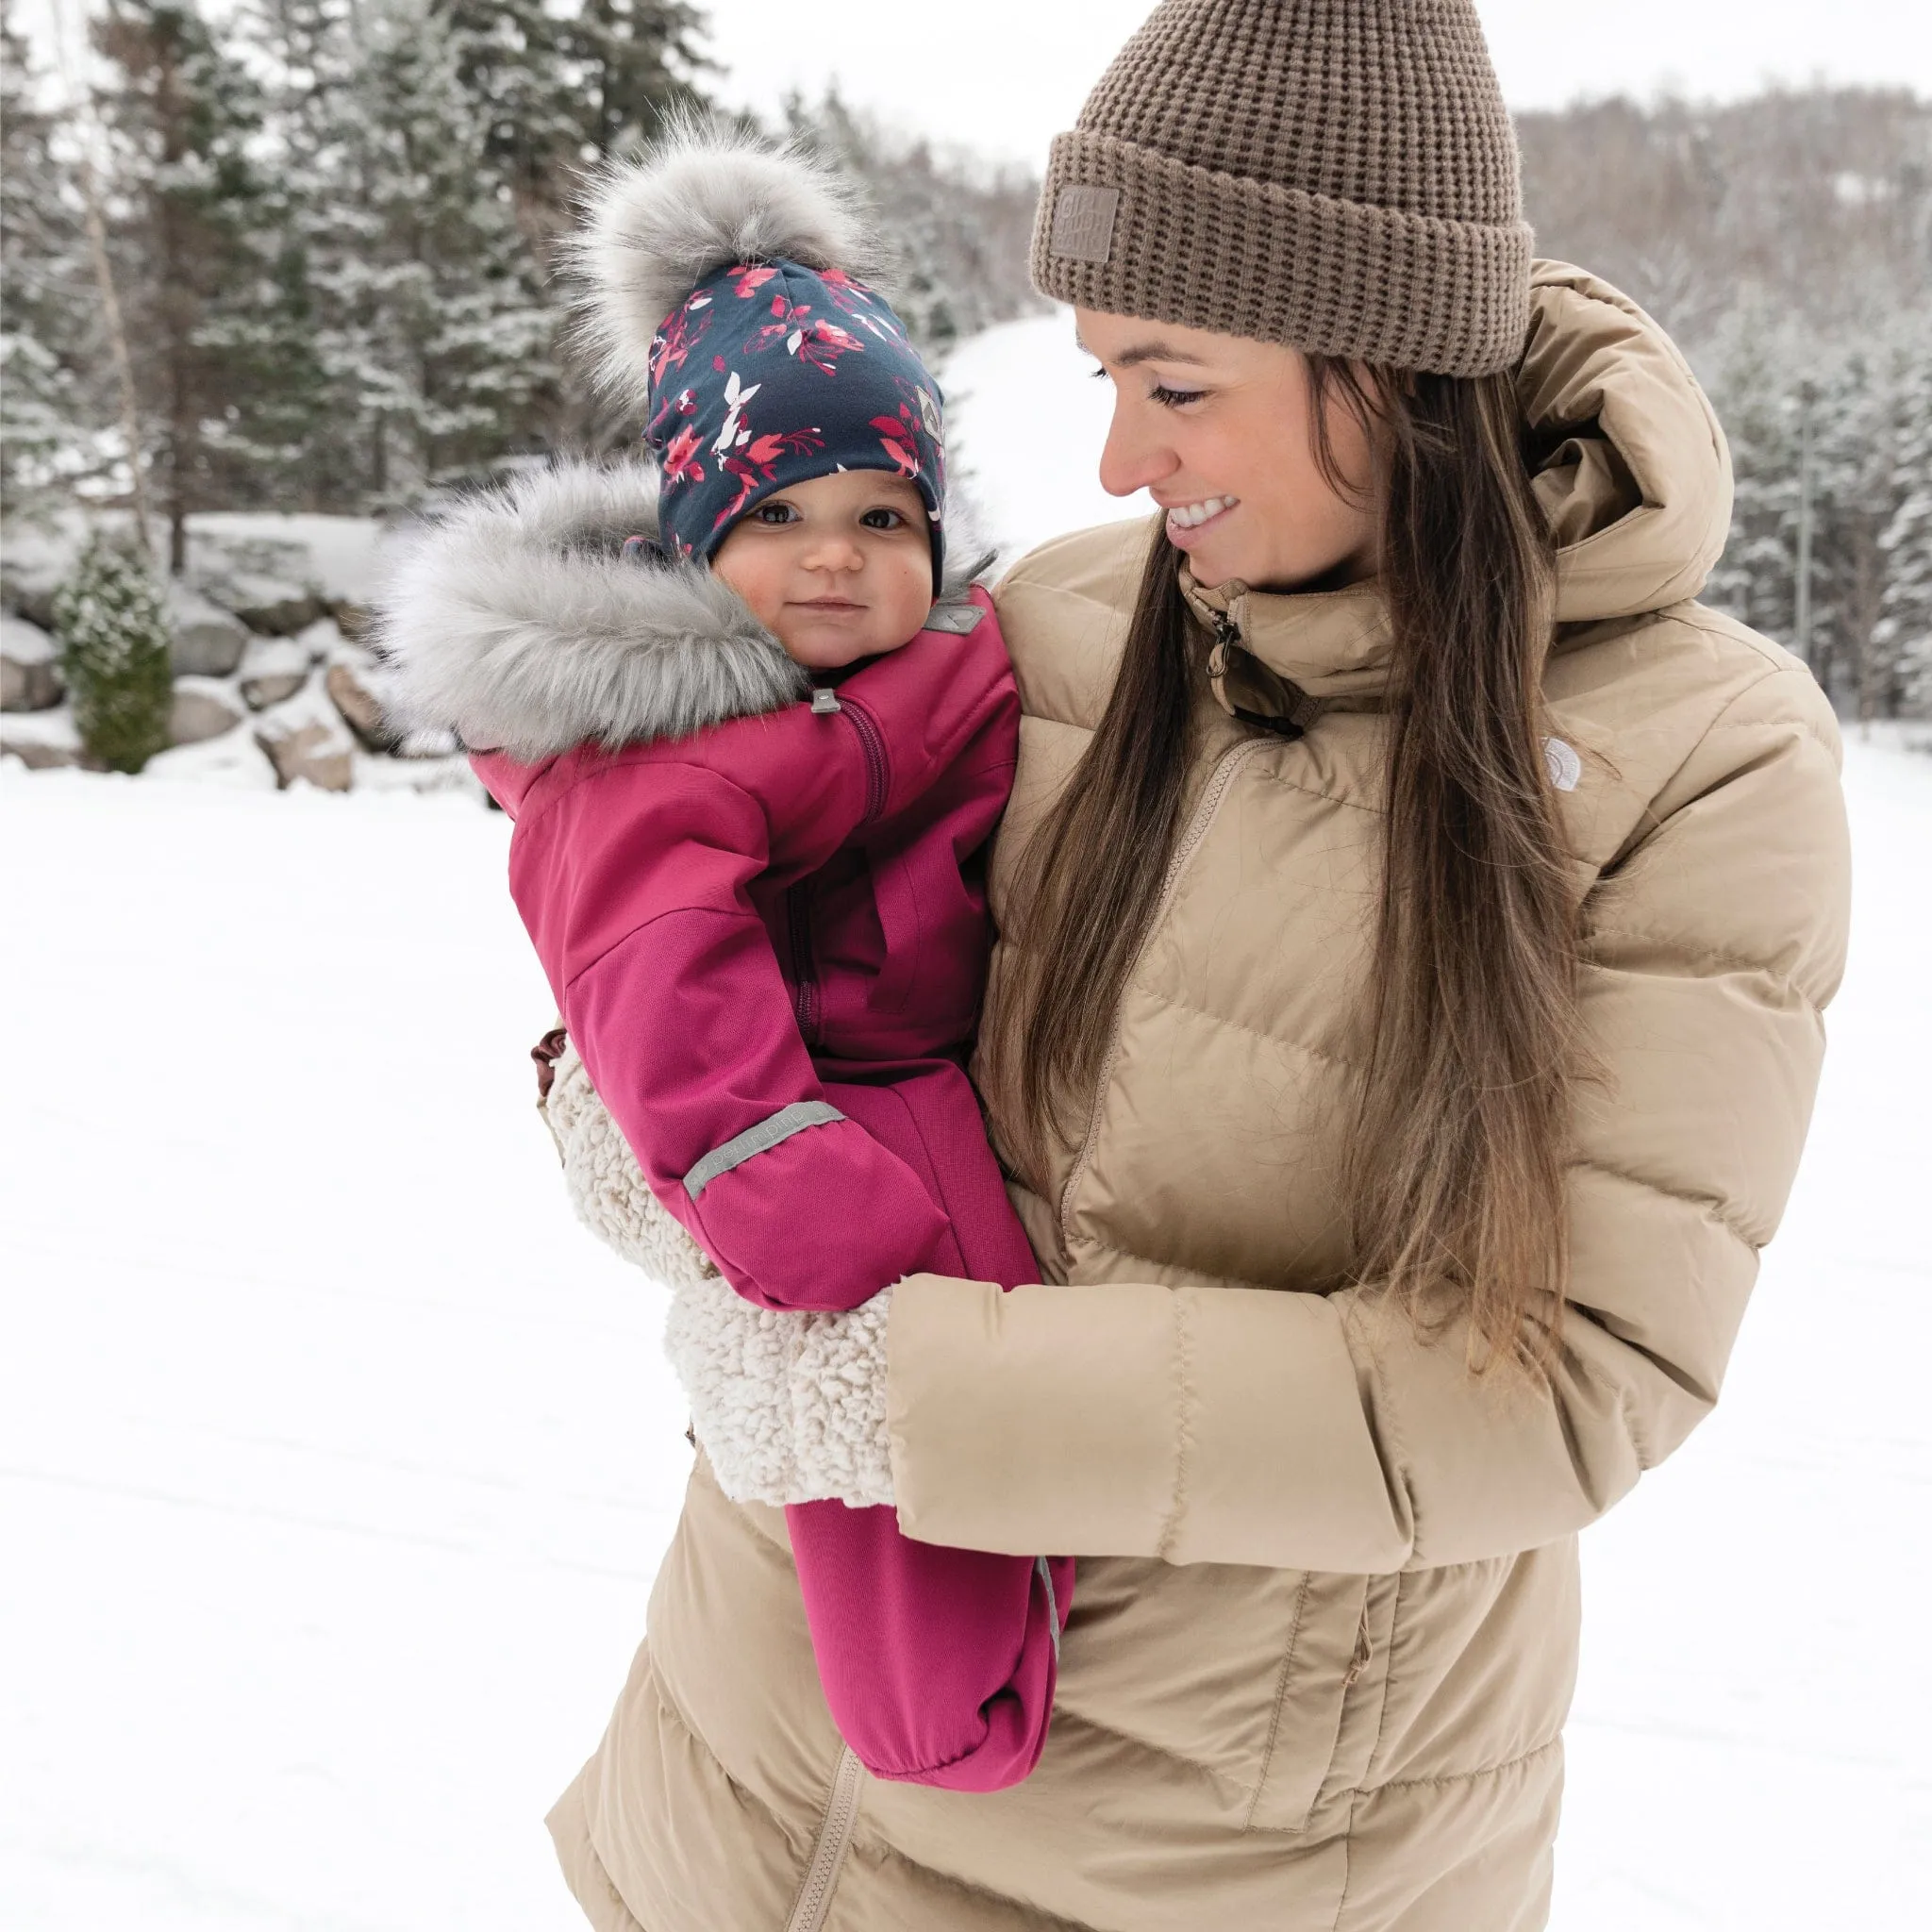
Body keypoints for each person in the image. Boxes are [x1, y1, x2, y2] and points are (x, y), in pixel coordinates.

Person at [415, 1, 1854, 1925]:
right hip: (763, 1756)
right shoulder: (1076, 623)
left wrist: (899, 1393)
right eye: (1099, 377)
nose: (1114, 456)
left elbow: (1564, 1379)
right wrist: (633, 1117)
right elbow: (748, 916)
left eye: (1171, 383)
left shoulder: (1703, 756)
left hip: (1205, 1860)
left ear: (1377, 352)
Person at [375, 129, 1072, 1795]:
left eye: (884, 515)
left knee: (1014, 1415)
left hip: (933, 1082)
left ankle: (1022, 1627)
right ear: (695, 535)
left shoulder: (939, 655)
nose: (838, 555)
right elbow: (656, 997)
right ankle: (941, 1723)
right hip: (835, 1129)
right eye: (780, 516)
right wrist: (812, 1201)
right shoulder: (653, 753)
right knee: (896, 1437)